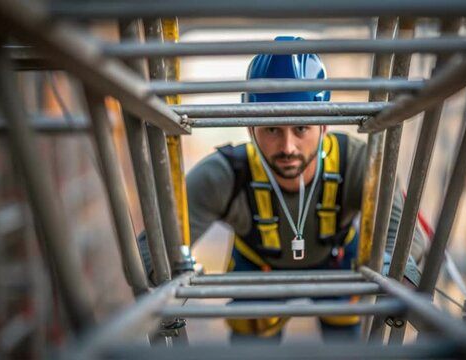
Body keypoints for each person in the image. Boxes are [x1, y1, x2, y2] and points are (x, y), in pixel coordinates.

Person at [140, 36, 429, 343]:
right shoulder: (226, 174)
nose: (288, 147)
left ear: (324, 125)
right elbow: (153, 245)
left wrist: (397, 277)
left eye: (301, 127)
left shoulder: (357, 162)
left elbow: (405, 239)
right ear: (251, 127)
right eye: (273, 128)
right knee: (252, 345)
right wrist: (166, 282)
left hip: (337, 262)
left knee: (344, 345)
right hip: (257, 269)